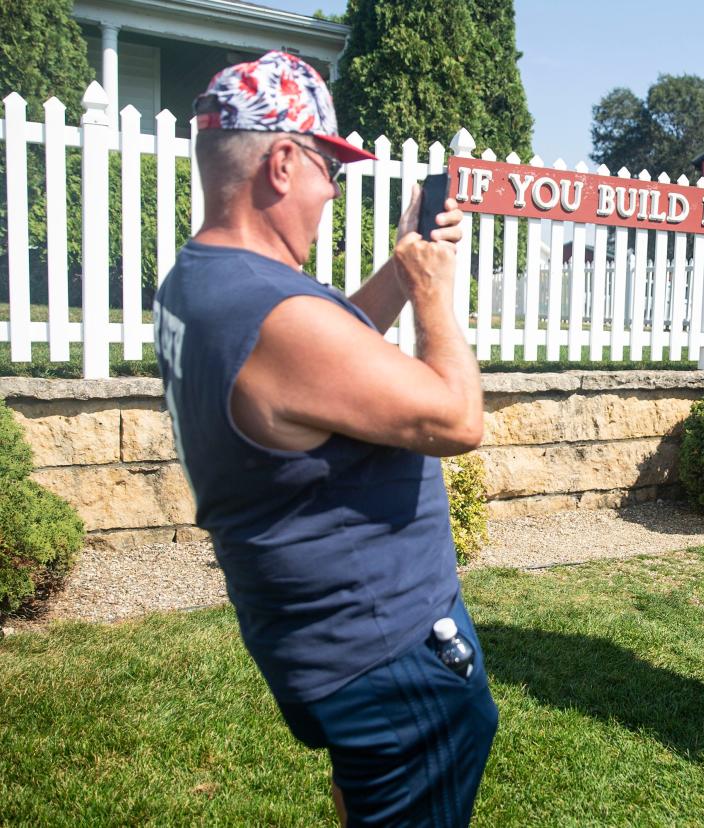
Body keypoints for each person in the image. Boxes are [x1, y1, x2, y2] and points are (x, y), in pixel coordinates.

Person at [153, 52, 497, 826]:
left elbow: (324, 359)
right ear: (281, 162)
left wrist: (400, 272)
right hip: (388, 655)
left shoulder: (203, 281)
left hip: (316, 643)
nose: (331, 189)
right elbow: (456, 418)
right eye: (327, 166)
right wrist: (436, 295)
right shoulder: (270, 312)